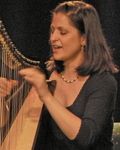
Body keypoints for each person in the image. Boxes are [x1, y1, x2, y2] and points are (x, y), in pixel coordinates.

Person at [0, 1, 118, 149]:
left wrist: (46, 96)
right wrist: (1, 100)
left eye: (62, 32)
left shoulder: (104, 82)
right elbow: (5, 124)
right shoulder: (47, 75)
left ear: (84, 38)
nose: (53, 38)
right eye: (52, 30)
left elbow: (86, 137)